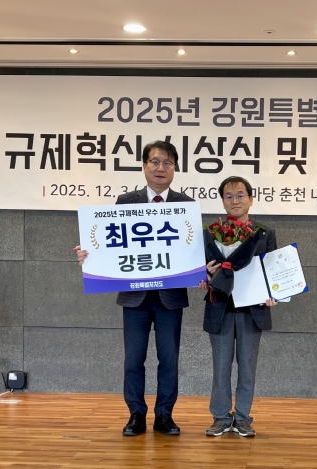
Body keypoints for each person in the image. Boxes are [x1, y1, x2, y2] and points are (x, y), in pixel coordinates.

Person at [75, 140, 200, 437]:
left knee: (169, 360)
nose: (161, 168)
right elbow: (111, 244)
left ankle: (164, 415)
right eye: (155, 162)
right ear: (144, 166)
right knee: (133, 360)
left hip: (170, 298)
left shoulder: (185, 205)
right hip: (135, 297)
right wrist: (89, 255)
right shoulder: (126, 201)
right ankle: (136, 414)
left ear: (175, 169)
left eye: (167, 163)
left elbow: (192, 248)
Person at [201, 176, 278, 438]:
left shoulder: (264, 233)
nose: (235, 200)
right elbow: (200, 269)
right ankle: (221, 417)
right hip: (220, 307)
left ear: (251, 199)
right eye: (229, 196)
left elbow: (272, 270)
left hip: (253, 309)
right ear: (223, 201)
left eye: (240, 195)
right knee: (220, 367)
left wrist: (273, 293)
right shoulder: (210, 232)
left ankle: (243, 417)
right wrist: (205, 275)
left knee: (247, 366)